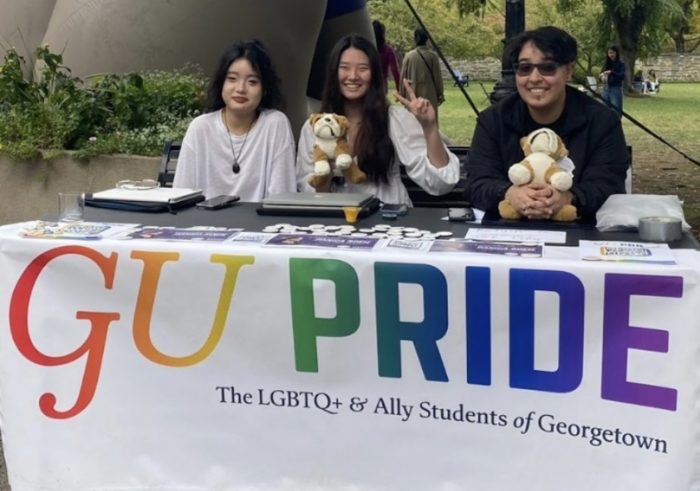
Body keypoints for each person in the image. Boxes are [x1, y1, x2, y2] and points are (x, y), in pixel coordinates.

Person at [464, 26, 629, 222]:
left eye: (547, 68)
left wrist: (569, 197)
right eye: (525, 68)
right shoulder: (492, 121)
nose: (534, 78)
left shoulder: (602, 122)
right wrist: (509, 194)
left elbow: (609, 185)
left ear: (569, 71)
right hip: (506, 235)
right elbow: (476, 183)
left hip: (581, 234)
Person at [296, 34, 460, 205]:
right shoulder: (315, 127)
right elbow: (309, 190)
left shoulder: (393, 120)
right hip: (336, 223)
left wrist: (429, 128)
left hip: (389, 221)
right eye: (344, 67)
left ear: (374, 75)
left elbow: (441, 182)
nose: (353, 76)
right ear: (333, 73)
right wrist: (326, 174)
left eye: (363, 68)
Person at [173, 40, 296, 200]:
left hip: (259, 224)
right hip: (205, 223)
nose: (240, 89)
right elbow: (181, 194)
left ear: (264, 89)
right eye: (232, 79)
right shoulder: (201, 128)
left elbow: (282, 198)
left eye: (252, 81)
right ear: (221, 83)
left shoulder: (275, 124)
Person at [399, 28, 444, 116]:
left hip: (413, 92)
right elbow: (437, 77)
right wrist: (440, 93)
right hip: (429, 93)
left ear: (415, 39)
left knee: (413, 120)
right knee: (429, 118)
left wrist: (402, 93)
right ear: (427, 39)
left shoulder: (409, 56)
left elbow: (403, 77)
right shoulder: (432, 56)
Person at [372, 20, 401, 93]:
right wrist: (399, 87)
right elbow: (395, 70)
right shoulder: (388, 50)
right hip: (382, 84)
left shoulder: (367, 48)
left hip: (368, 83)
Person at [600, 45, 625, 115]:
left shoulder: (621, 64)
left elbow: (622, 76)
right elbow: (601, 74)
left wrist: (611, 72)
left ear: (616, 53)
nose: (610, 55)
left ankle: (616, 124)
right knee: (605, 109)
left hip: (616, 89)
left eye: (612, 53)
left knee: (616, 110)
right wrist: (602, 77)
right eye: (609, 53)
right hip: (606, 88)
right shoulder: (607, 63)